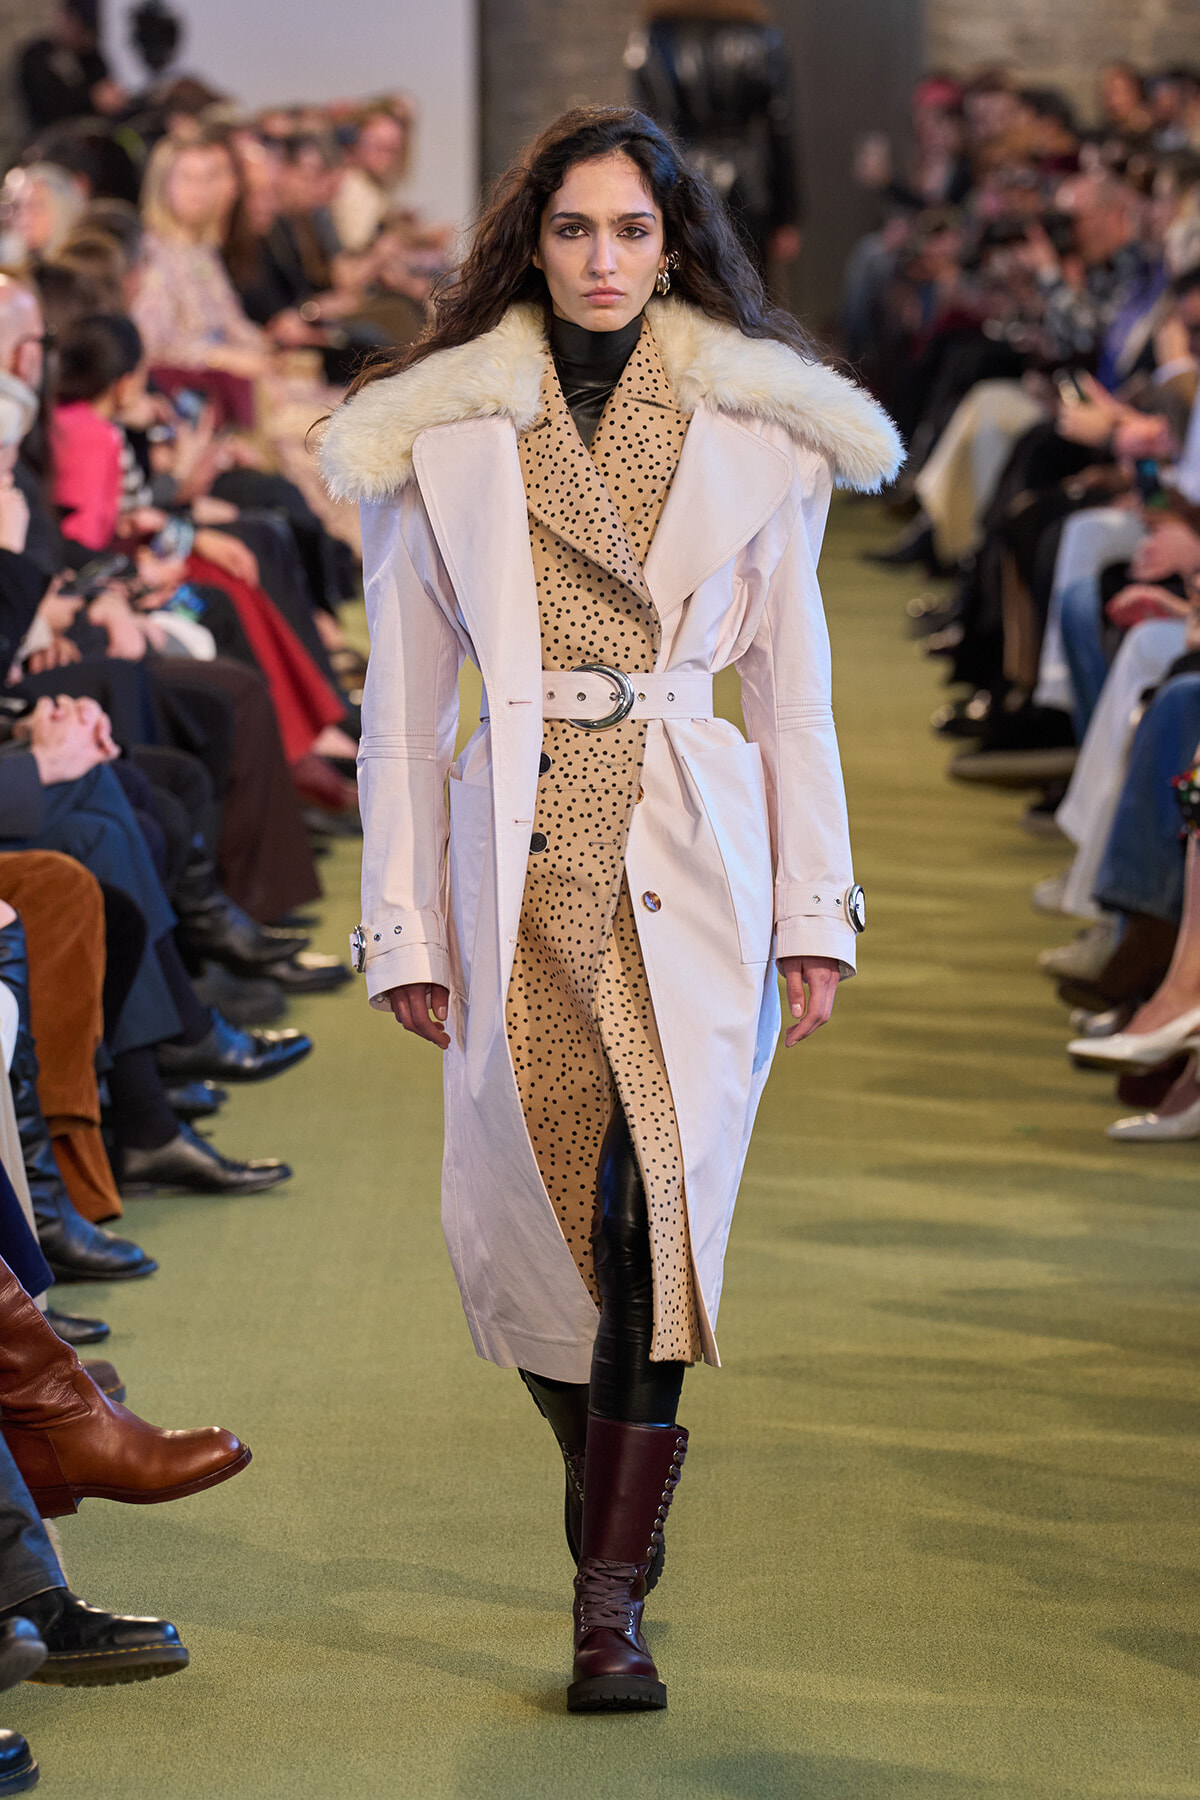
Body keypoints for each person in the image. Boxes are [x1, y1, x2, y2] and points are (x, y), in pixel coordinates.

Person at [320, 105, 898, 1712]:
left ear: (675, 242)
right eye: (574, 230)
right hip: (513, 857)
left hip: (693, 856)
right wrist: (401, 928)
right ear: (530, 239)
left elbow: (793, 696)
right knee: (538, 1236)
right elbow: (398, 708)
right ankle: (611, 1510)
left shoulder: (766, 432)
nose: (601, 260)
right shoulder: (430, 431)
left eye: (632, 231)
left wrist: (815, 909)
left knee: (657, 1214)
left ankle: (605, 1604)